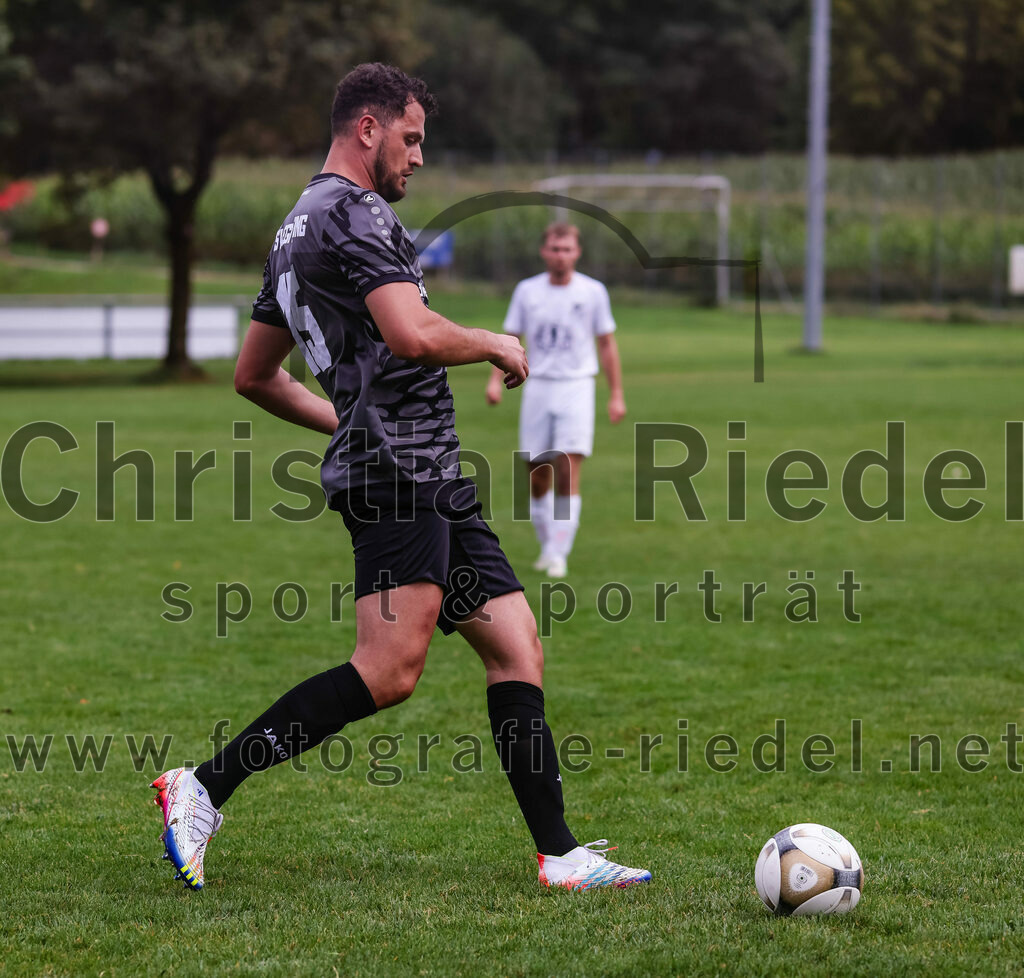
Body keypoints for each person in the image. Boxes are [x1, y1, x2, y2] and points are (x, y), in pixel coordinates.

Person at [150, 63, 649, 893]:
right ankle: (204, 785)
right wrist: (490, 340)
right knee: (388, 670)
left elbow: (256, 375)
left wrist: (344, 420)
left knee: (516, 644)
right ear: (369, 127)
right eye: (411, 138)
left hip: (424, 468)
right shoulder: (354, 211)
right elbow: (410, 332)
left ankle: (560, 856)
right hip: (398, 473)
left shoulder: (293, 228)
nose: (418, 158)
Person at [486, 225, 625, 578]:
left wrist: (616, 394)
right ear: (543, 251)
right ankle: (549, 545)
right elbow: (510, 338)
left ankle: (558, 551)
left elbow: (606, 344)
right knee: (536, 475)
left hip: (577, 386)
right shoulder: (527, 291)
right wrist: (494, 382)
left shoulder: (593, 292)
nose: (560, 255)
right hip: (537, 385)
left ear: (577, 252)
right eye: (554, 248)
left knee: (567, 466)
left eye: (566, 249)